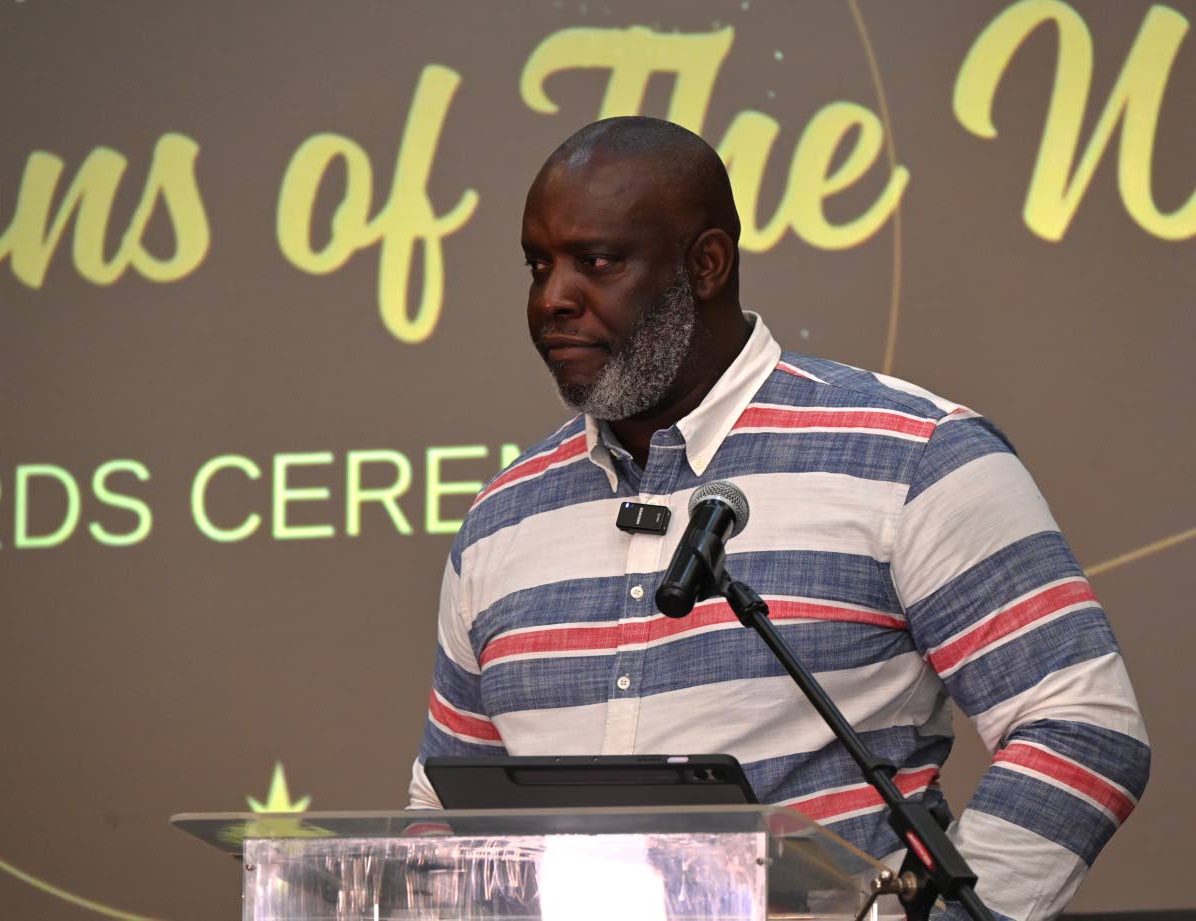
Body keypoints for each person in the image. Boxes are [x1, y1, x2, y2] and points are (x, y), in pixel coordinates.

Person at [408, 116, 1149, 920]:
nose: (552, 298)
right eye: (537, 265)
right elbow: (448, 815)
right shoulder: (501, 518)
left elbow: (1081, 725)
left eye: (597, 262)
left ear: (706, 264)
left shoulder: (915, 457)